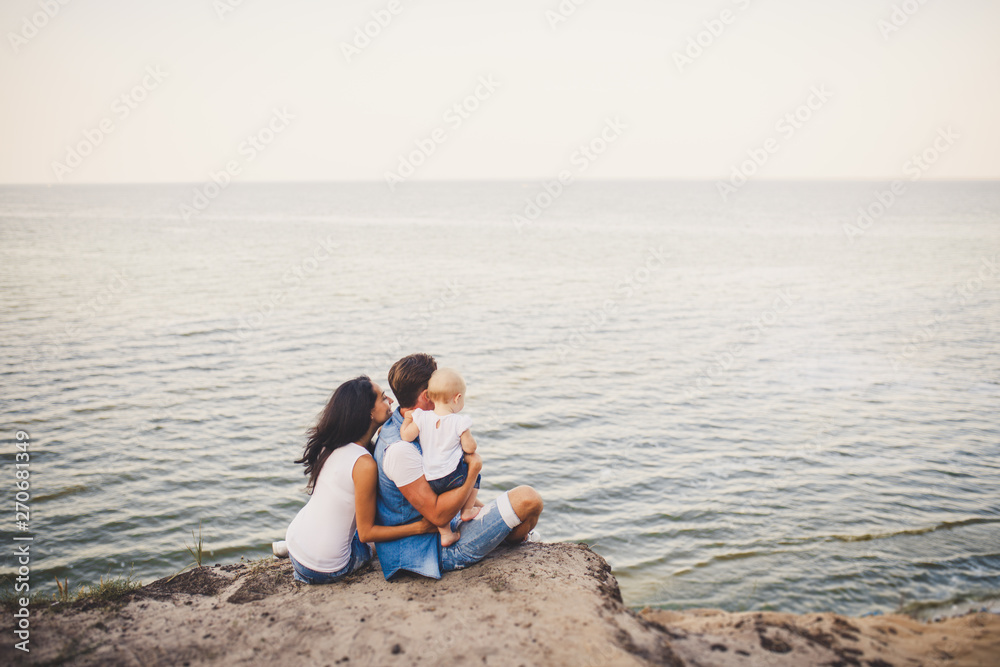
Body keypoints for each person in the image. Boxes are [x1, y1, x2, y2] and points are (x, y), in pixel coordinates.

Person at [373, 353, 543, 580]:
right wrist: (474, 470)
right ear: (427, 396)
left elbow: (445, 487)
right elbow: (439, 517)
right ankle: (509, 538)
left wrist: (481, 509)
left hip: (445, 524)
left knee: (521, 513)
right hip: (431, 551)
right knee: (528, 500)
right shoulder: (399, 450)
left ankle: (507, 534)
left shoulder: (417, 423)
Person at [283, 376, 437, 584]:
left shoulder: (331, 445)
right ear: (369, 412)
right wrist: (420, 527)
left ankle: (289, 547)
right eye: (383, 398)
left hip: (295, 542)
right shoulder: (364, 464)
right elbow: (366, 533)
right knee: (371, 544)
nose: (391, 400)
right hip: (325, 569)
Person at [400, 368, 481, 546]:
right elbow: (470, 447)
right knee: (475, 475)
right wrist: (467, 441)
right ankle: (467, 510)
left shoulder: (421, 418)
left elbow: (406, 436)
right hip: (452, 475)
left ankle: (446, 534)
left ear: (430, 396)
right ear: (457, 398)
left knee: (443, 499)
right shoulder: (459, 422)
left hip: (431, 479)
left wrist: (407, 420)